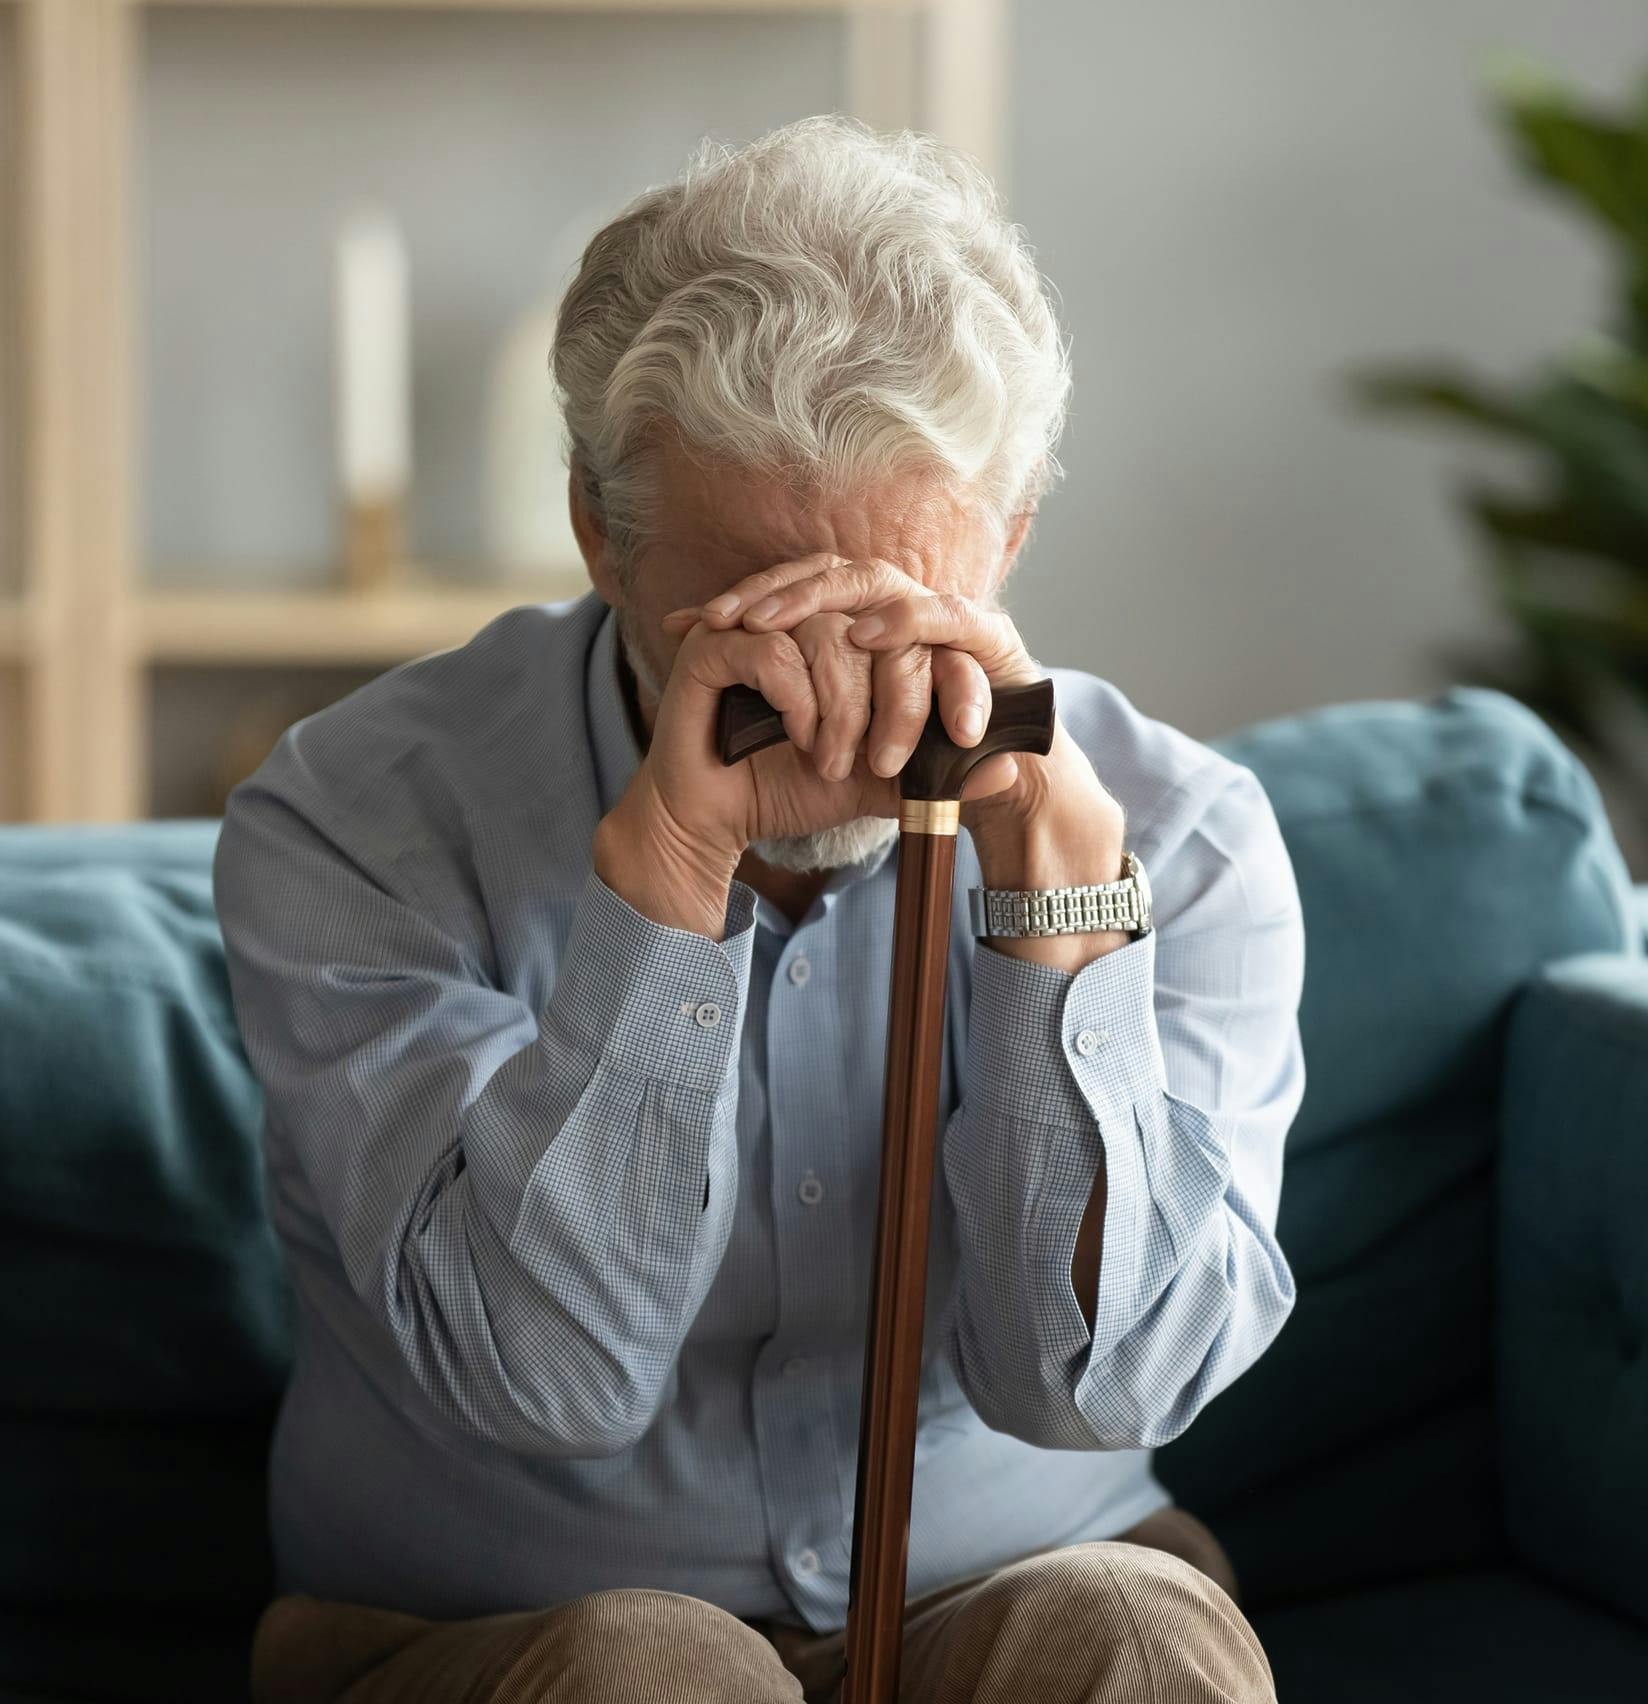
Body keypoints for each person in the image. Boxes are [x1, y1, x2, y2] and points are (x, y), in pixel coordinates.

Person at [218, 114, 1306, 1704]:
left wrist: (1059, 909)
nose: (838, 703)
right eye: (754, 623)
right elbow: (547, 1379)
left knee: (1130, 1639)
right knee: (647, 1675)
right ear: (601, 531)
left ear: (1005, 534)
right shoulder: (356, 824)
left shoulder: (1189, 835)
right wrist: (665, 880)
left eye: (902, 606)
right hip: (505, 1633)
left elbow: (1108, 1391)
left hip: (1009, 1590)